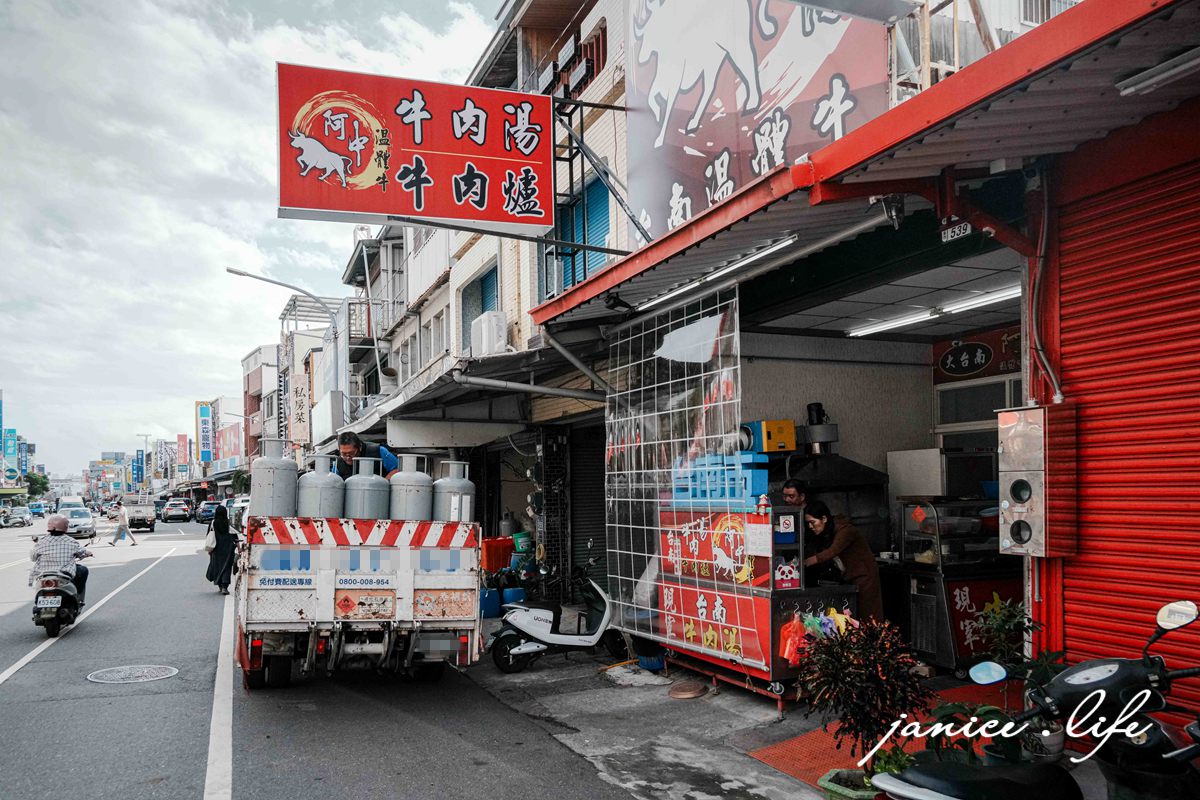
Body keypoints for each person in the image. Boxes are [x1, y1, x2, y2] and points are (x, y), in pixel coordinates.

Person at [803, 499, 884, 621]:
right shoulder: (829, 531)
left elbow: (832, 551)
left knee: (868, 614)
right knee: (854, 616)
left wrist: (805, 563)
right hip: (850, 576)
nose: (811, 526)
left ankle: (874, 638)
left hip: (865, 575)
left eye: (813, 522)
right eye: (808, 523)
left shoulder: (845, 531)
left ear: (824, 519)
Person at [31, 514, 92, 604]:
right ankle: (78, 597)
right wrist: (87, 553)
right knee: (83, 570)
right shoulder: (71, 541)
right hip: (64, 575)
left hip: (43, 575)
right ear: (65, 527)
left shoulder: (41, 541)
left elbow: (33, 557)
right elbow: (81, 553)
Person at [334, 431, 399, 480]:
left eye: (351, 453)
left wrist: (383, 484)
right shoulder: (338, 462)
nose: (348, 457)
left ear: (359, 447)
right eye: (343, 454)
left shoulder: (378, 451)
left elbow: (397, 469)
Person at [205, 504, 237, 595]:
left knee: (217, 566)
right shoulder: (229, 522)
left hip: (216, 548)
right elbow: (235, 535)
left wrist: (209, 550)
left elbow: (208, 535)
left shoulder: (213, 522)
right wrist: (238, 546)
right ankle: (224, 586)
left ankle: (219, 584)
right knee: (227, 567)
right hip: (228, 548)